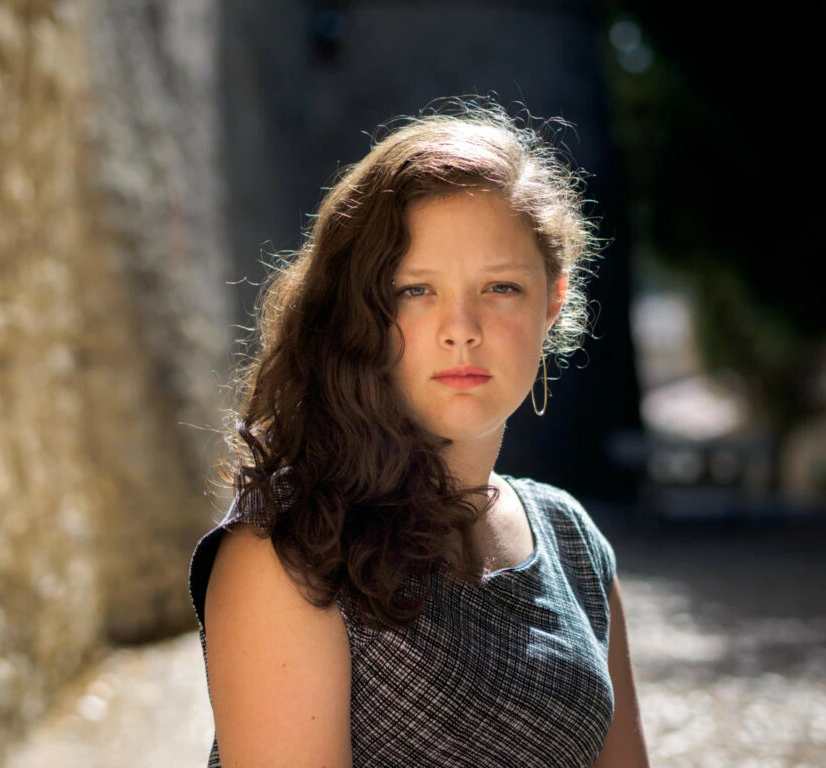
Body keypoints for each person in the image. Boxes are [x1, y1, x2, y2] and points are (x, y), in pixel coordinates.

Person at [189, 98, 650, 767]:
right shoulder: (288, 554)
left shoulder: (575, 542)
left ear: (552, 301)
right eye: (415, 290)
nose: (459, 328)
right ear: (360, 313)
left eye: (500, 289)